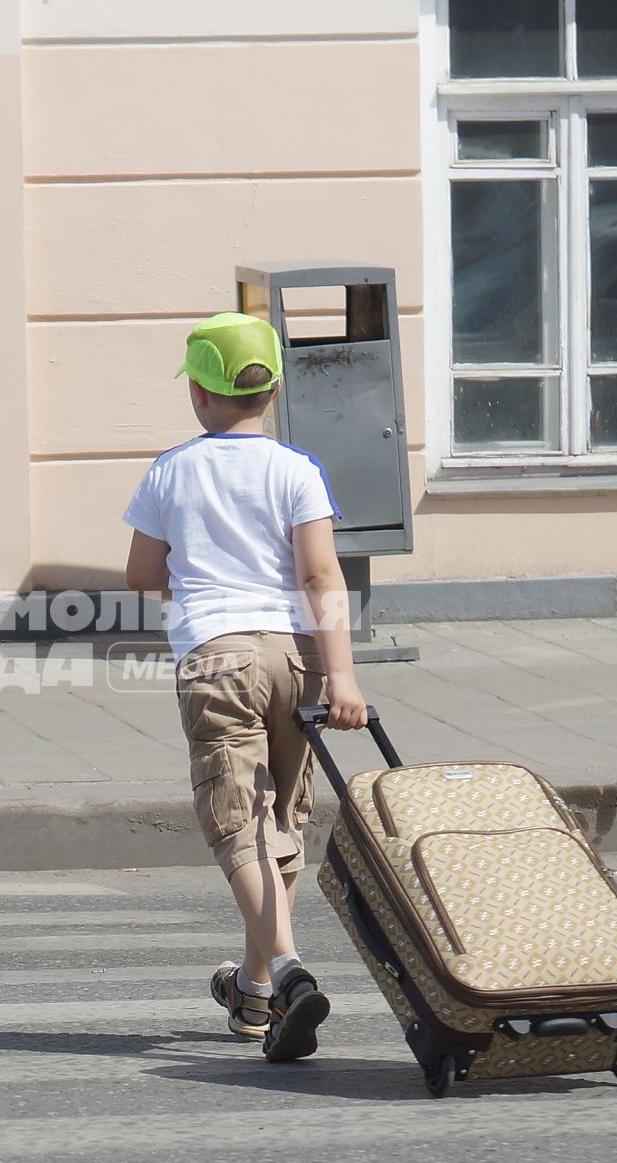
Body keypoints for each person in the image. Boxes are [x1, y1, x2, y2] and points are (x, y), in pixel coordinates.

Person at [122, 311, 369, 1062]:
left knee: (239, 823)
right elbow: (321, 574)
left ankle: (290, 971)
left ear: (199, 392)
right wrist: (344, 676)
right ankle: (256, 990)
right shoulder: (297, 470)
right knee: (281, 822)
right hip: (296, 657)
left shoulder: (171, 470)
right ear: (273, 389)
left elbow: (141, 574)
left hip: (216, 656)